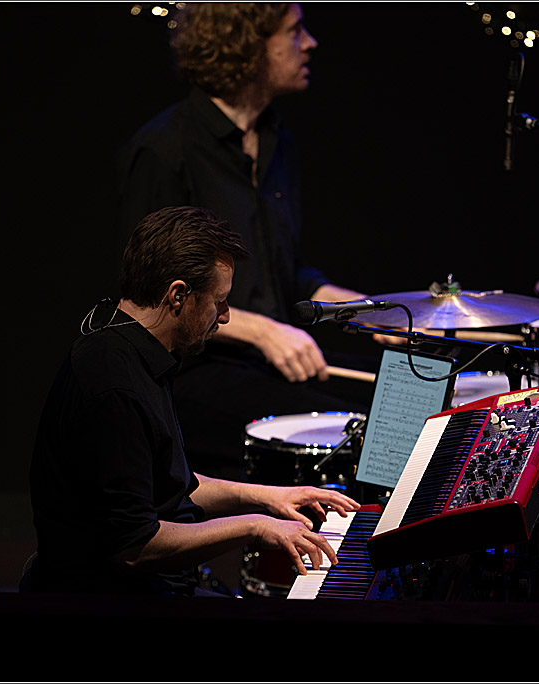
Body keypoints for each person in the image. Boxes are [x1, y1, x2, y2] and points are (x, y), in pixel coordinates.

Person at [26, 205, 360, 596]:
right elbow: (134, 548)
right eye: (219, 301)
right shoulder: (115, 385)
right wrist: (253, 526)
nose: (225, 317)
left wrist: (271, 498)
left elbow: (170, 485)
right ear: (178, 295)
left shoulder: (136, 349)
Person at [117, 3, 382, 477]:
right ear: (248, 44)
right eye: (294, 31)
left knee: (402, 402)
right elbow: (150, 297)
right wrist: (264, 331)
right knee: (363, 432)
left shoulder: (278, 141)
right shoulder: (165, 149)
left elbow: (285, 272)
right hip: (196, 372)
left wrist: (371, 310)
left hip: (266, 365)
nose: (311, 43)